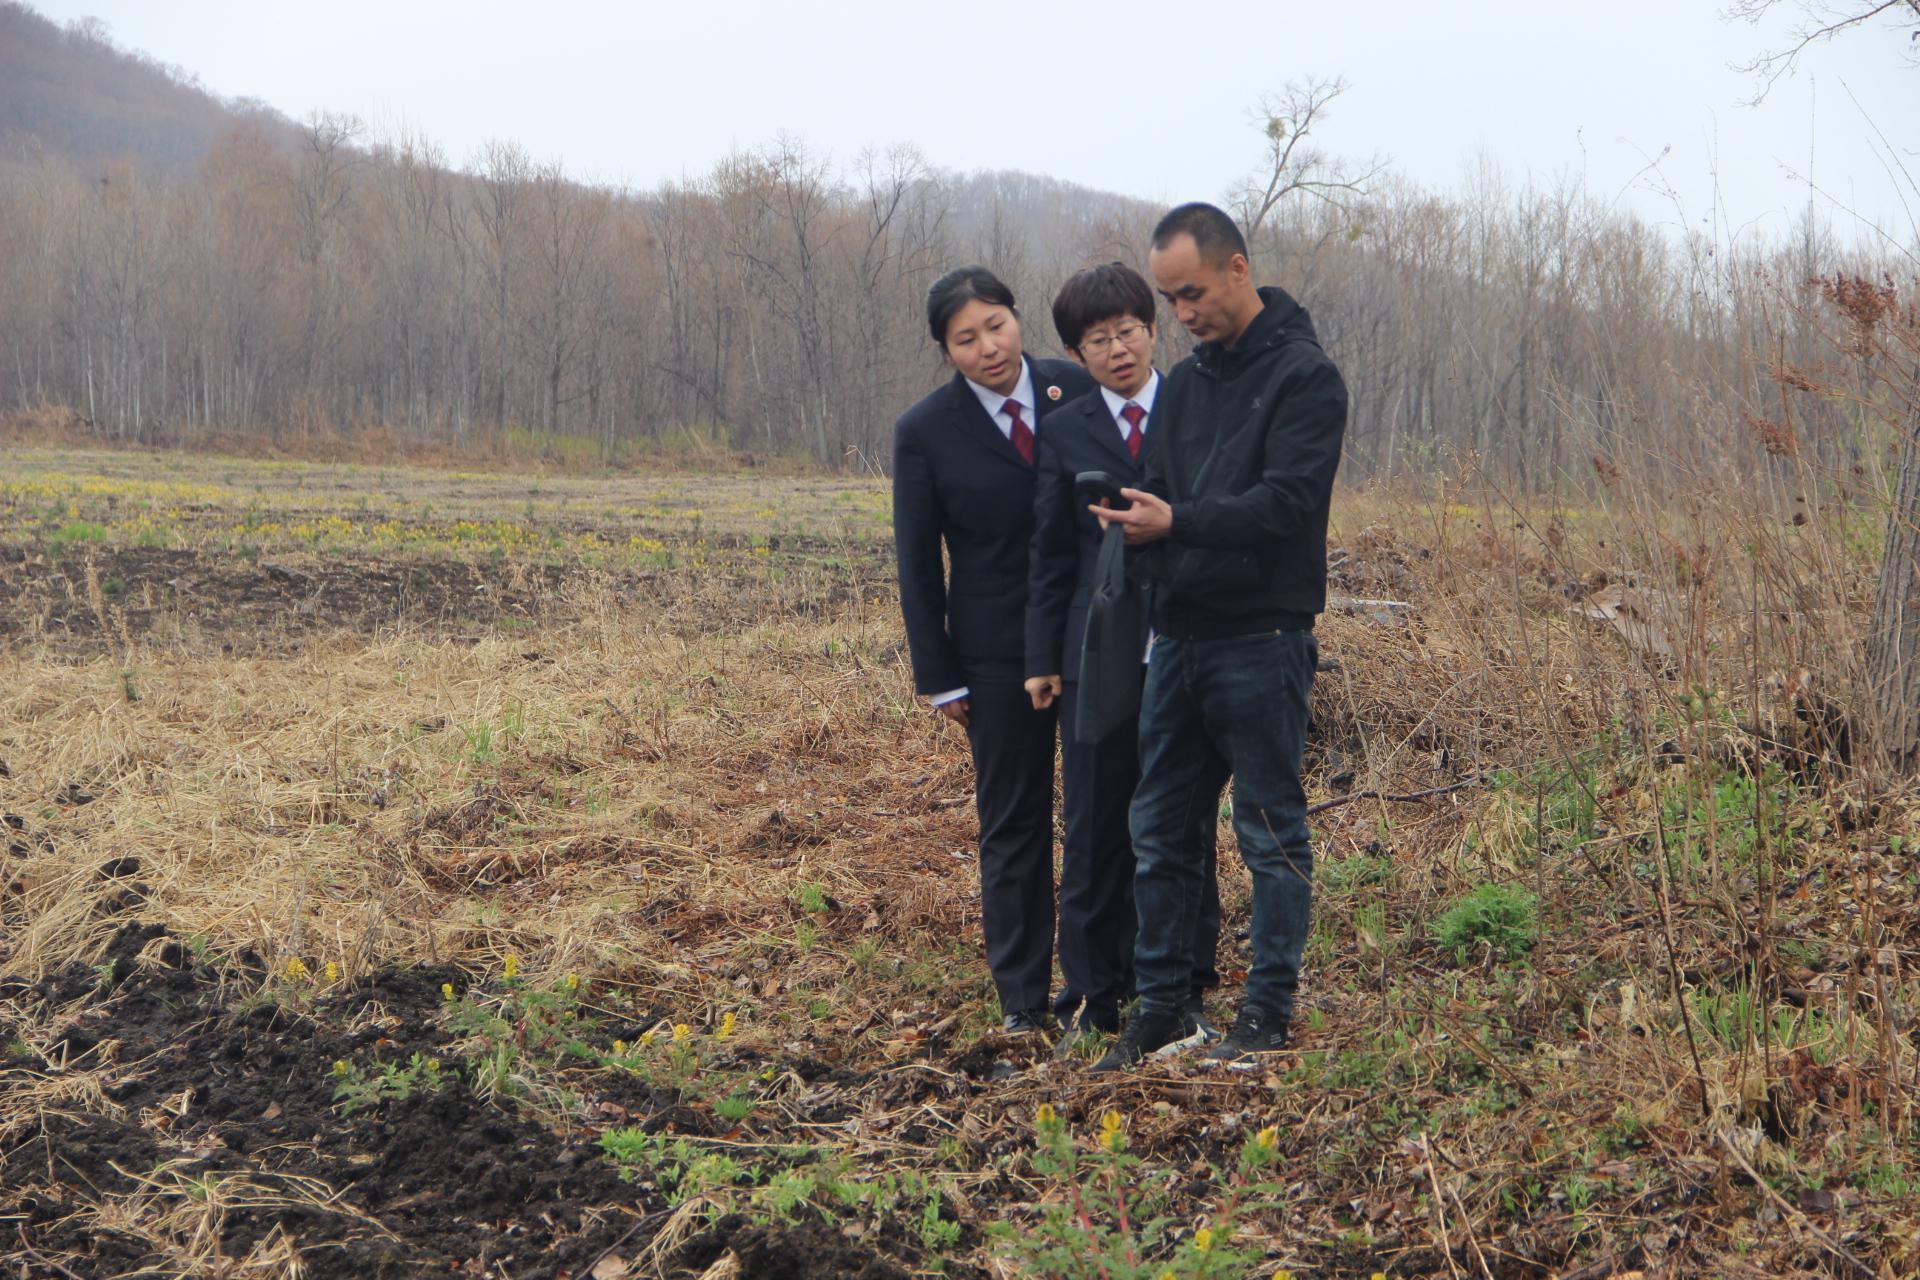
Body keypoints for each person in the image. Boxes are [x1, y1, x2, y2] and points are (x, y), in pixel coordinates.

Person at [1088, 204, 1346, 1072]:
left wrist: (1180, 522)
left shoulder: (1308, 378)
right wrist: (1134, 522)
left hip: (1264, 640)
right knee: (1159, 830)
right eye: (1169, 299)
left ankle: (1265, 1016)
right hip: (1181, 642)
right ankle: (1162, 1009)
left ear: (1238, 269)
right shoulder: (1188, 386)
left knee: (1269, 834)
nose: (1182, 313)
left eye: (1191, 293)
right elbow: (1157, 488)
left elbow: (1288, 506)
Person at [1023, 262, 1223, 1048]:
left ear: (1155, 328)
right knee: (1096, 824)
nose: (1117, 350)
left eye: (1128, 332)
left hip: (1185, 640)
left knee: (1181, 824)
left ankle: (1181, 986)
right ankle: (1092, 993)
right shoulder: (1066, 427)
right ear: (1077, 353)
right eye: (1097, 340)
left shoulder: (1194, 407)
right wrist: (1044, 656)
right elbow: (1048, 551)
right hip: (1094, 652)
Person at [892, 266, 1096, 1033]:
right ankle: (1022, 997)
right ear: (947, 351)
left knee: (1096, 814)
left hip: (1085, 639)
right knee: (1013, 824)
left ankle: (1097, 982)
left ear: (1019, 319)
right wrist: (938, 676)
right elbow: (917, 562)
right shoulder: (925, 431)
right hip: (993, 654)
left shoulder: (1073, 391)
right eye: (966, 338)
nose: (989, 348)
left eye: (998, 326)